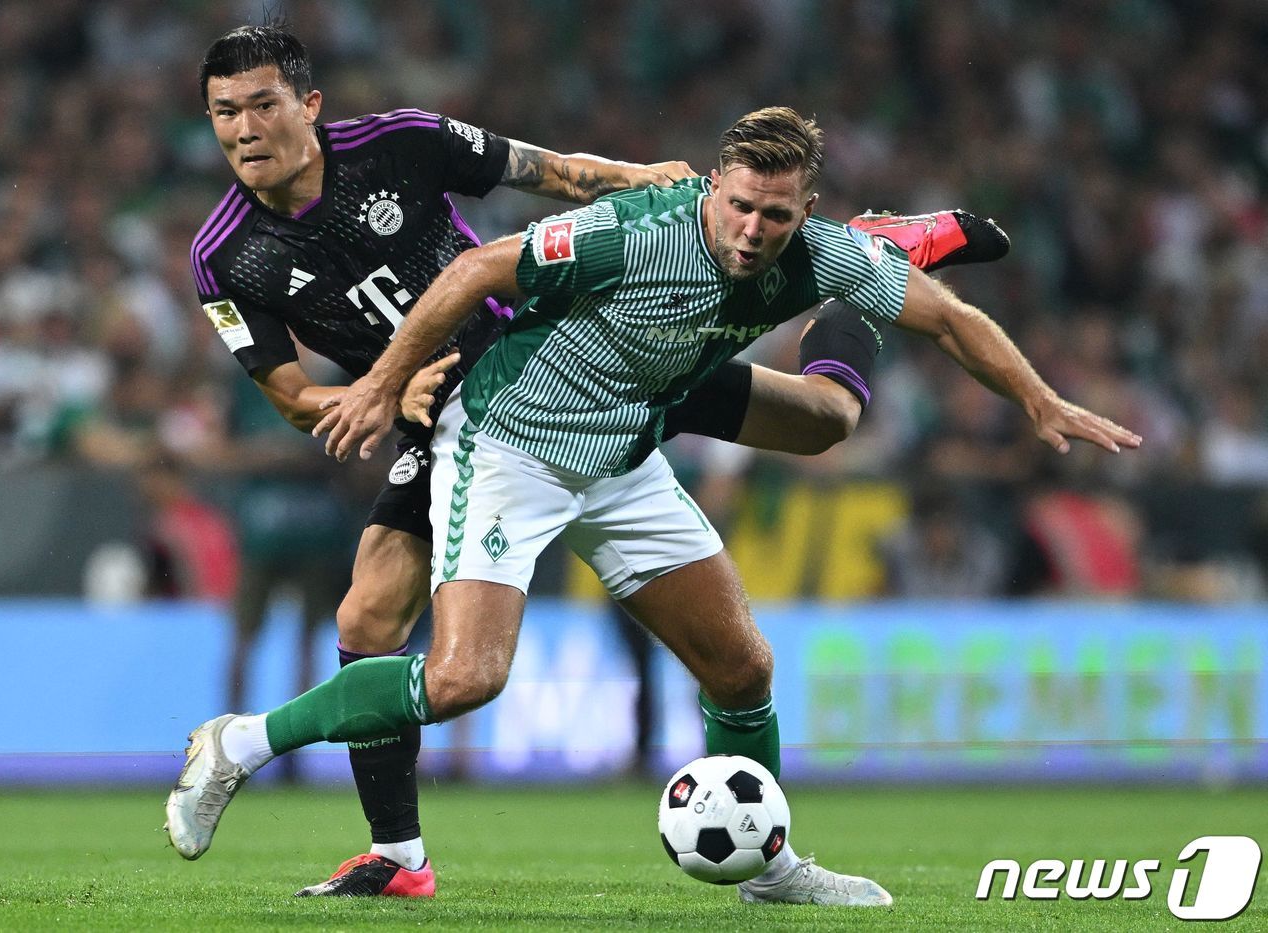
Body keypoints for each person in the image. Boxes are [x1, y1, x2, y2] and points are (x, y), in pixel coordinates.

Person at [172, 103, 1141, 907]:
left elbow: (951, 319)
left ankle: (768, 872)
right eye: (738, 207)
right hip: (514, 438)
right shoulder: (633, 231)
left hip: (627, 443)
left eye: (774, 215)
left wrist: (1037, 400)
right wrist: (383, 384)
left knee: (743, 662)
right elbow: (473, 270)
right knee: (465, 678)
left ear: (804, 210)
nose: (752, 230)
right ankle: (240, 742)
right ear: (711, 191)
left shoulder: (818, 255)